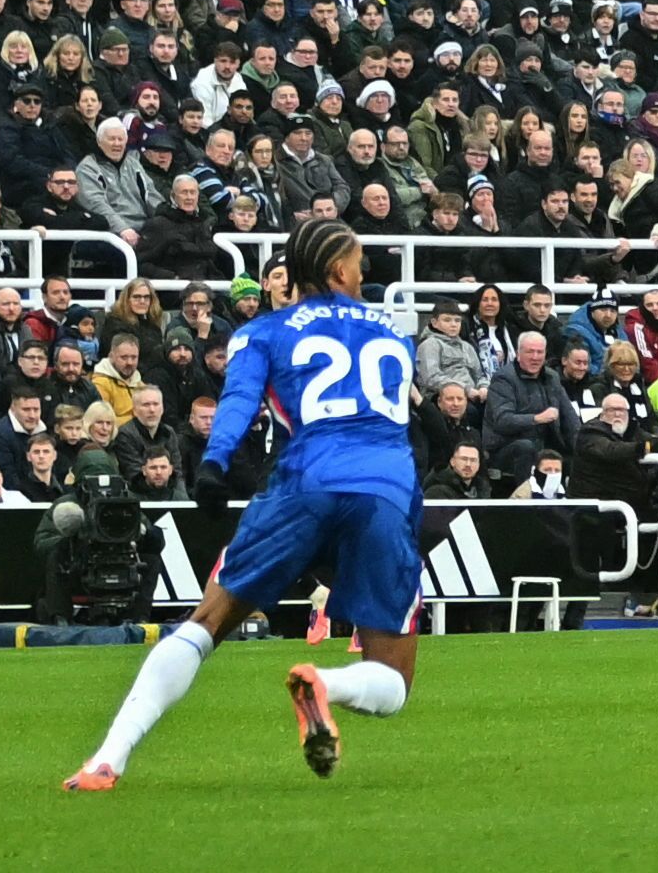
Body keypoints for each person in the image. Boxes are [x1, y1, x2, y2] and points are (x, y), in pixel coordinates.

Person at [68, 217, 425, 790]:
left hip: (304, 485)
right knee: (393, 680)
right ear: (338, 271)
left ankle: (107, 758)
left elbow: (237, 401)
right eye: (360, 264)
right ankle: (326, 683)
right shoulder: (393, 335)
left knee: (205, 623)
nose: (366, 273)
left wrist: (212, 464)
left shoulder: (263, 332)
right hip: (386, 488)